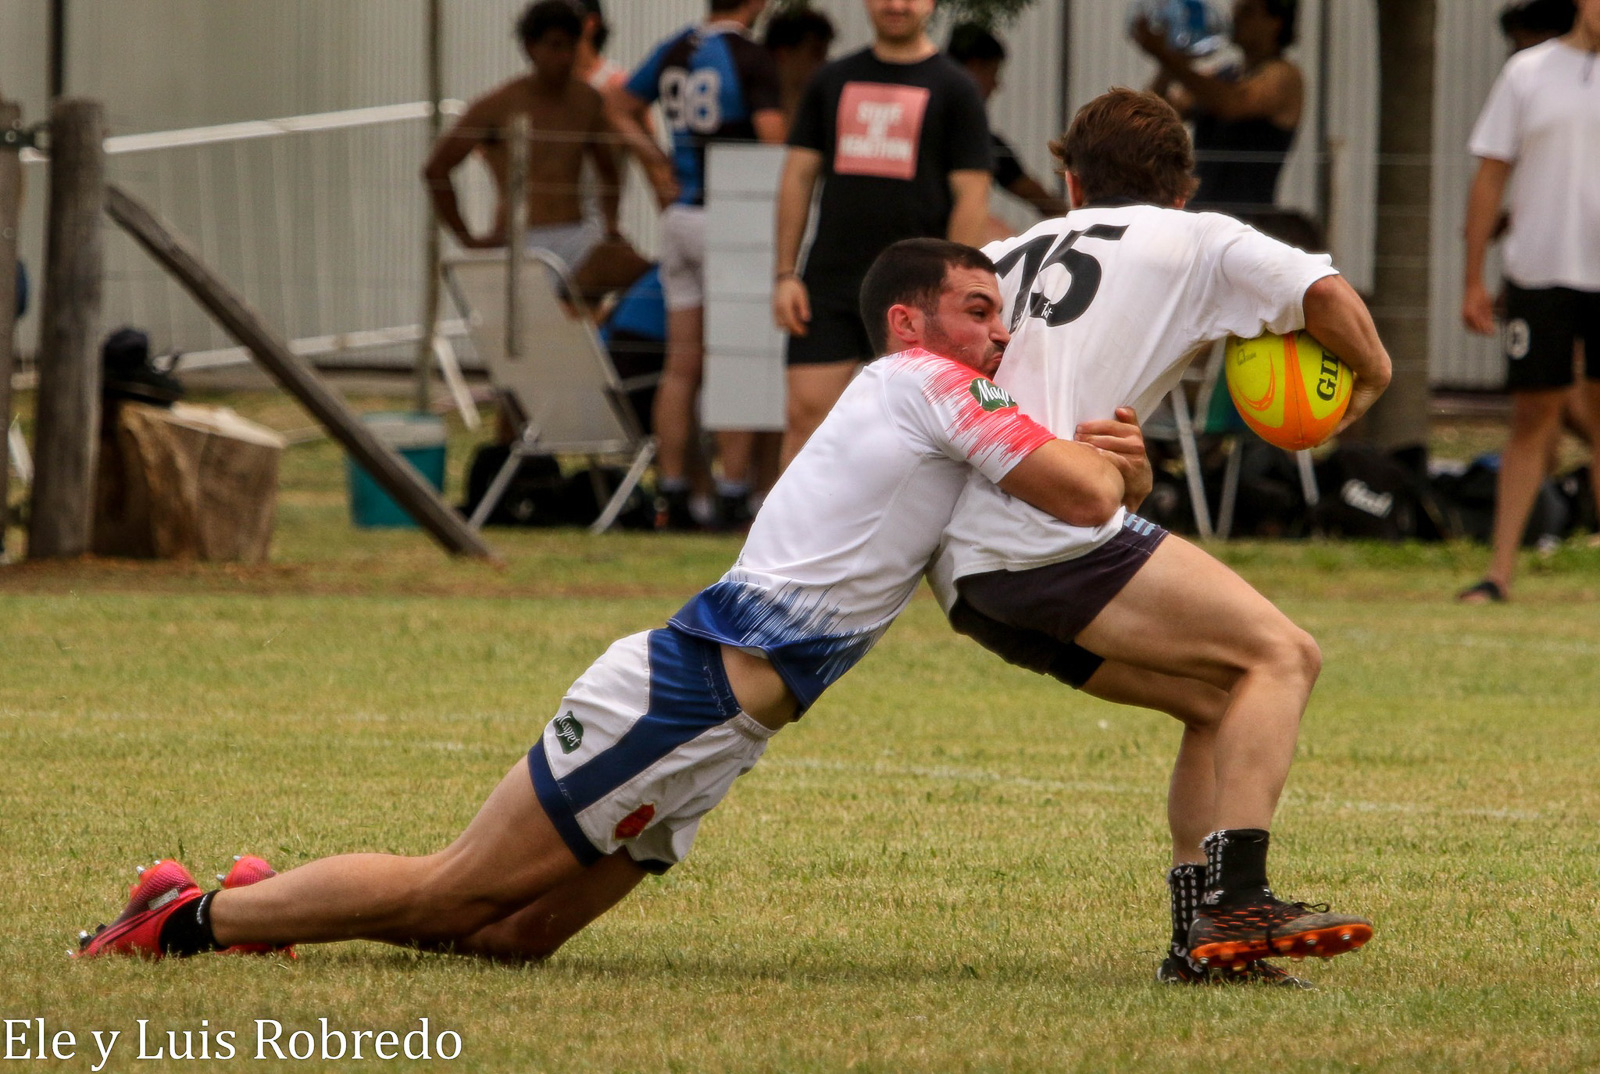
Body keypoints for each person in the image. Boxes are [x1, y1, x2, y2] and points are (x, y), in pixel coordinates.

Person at [74, 239, 1140, 965]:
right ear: (912, 323)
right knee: (456, 891)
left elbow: (1058, 509)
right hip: (681, 695)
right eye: (977, 310)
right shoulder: (930, 383)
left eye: (1001, 316)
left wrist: (1101, 474)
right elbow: (1088, 496)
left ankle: (280, 897)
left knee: (512, 937)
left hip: (724, 730)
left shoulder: (923, 399)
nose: (999, 334)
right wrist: (1124, 468)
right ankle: (183, 918)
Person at [930, 88, 1389, 984]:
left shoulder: (992, 255)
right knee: (1283, 658)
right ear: (1182, 189)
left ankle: (1200, 947)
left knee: (1223, 699)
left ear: (1068, 183)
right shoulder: (1198, 237)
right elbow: (1323, 293)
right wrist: (1369, 380)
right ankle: (1239, 899)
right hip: (1053, 533)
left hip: (968, 575)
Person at [773, 0, 993, 468]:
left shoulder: (956, 89)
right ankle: (791, 541)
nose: (896, 5)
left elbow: (972, 195)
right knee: (806, 416)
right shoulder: (830, 80)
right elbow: (796, 177)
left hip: (917, 294)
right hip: (829, 283)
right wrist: (784, 274)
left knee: (913, 432)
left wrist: (952, 291)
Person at [608, 0, 786, 531]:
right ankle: (733, 494)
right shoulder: (749, 56)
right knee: (738, 360)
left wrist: (655, 158)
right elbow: (775, 144)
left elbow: (617, 104)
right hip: (730, 217)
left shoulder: (676, 47)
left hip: (680, 214)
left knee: (681, 366)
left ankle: (676, 489)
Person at [1459, 0, 1600, 602]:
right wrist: (1472, 278)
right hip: (1539, 274)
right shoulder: (1527, 73)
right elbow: (1492, 174)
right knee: (1531, 418)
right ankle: (1499, 574)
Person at [421, 0, 621, 272]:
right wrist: (467, 239)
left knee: (639, 272)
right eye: (555, 45)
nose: (564, 57)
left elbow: (609, 172)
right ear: (530, 46)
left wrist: (610, 226)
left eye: (571, 46)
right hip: (519, 239)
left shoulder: (588, 102)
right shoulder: (498, 106)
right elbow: (436, 169)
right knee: (535, 311)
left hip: (577, 234)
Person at [1134, 0, 1303, 217]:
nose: (1235, 19)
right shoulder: (1226, 75)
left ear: (1275, 22)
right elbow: (1155, 118)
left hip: (1250, 219)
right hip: (1204, 213)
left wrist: (1170, 58)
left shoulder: (1283, 76)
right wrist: (1173, 59)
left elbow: (1232, 103)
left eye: (1248, 12)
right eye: (1236, 11)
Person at [944, 22, 1068, 232]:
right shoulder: (970, 137)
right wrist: (1077, 220)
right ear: (974, 67)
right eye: (993, 73)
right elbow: (1030, 191)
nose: (996, 85)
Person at [764, 6, 836, 126]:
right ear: (784, 54)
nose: (824, 62)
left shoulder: (826, 109)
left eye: (825, 54)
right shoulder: (756, 110)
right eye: (815, 53)